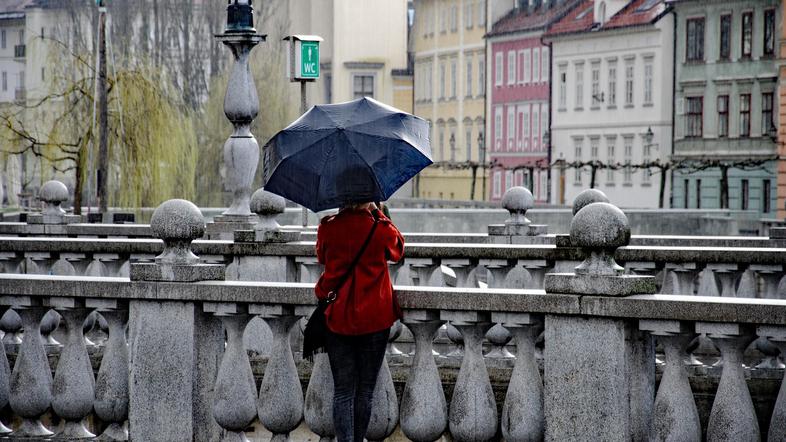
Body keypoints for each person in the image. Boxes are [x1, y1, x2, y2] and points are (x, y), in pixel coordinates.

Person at [315, 200, 404, 442]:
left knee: (343, 391)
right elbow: (398, 249)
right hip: (375, 318)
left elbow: (321, 256)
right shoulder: (380, 229)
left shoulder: (329, 227)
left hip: (338, 317)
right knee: (365, 391)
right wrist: (378, 212)